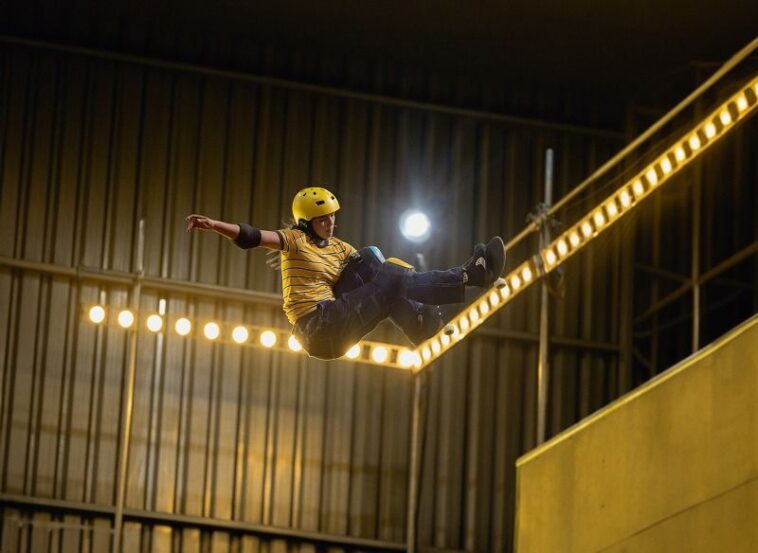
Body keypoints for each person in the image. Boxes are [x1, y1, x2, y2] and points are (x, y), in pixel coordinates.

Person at [186, 186, 505, 360]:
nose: (330, 224)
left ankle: (421, 322)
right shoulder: (294, 240)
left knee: (372, 259)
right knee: (391, 274)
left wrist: (400, 286)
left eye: (332, 217)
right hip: (317, 326)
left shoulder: (341, 248)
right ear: (307, 222)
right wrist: (214, 225)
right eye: (322, 219)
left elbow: (378, 275)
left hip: (338, 330)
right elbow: (253, 237)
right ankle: (467, 277)